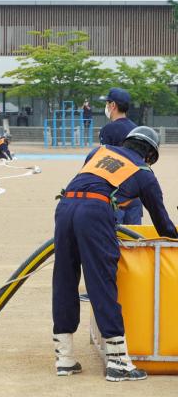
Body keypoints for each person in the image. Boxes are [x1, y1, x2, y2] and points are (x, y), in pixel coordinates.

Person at [52, 126, 177, 382]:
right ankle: (118, 362)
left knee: (64, 279)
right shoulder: (144, 174)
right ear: (151, 156)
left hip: (65, 206)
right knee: (102, 282)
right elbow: (163, 225)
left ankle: (64, 358)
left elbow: (95, 182)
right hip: (95, 213)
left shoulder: (99, 151)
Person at [98, 88, 141, 224]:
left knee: (114, 240)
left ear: (113, 105)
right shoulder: (136, 129)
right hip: (135, 194)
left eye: (107, 103)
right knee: (135, 241)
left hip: (116, 195)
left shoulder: (108, 130)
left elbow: (103, 162)